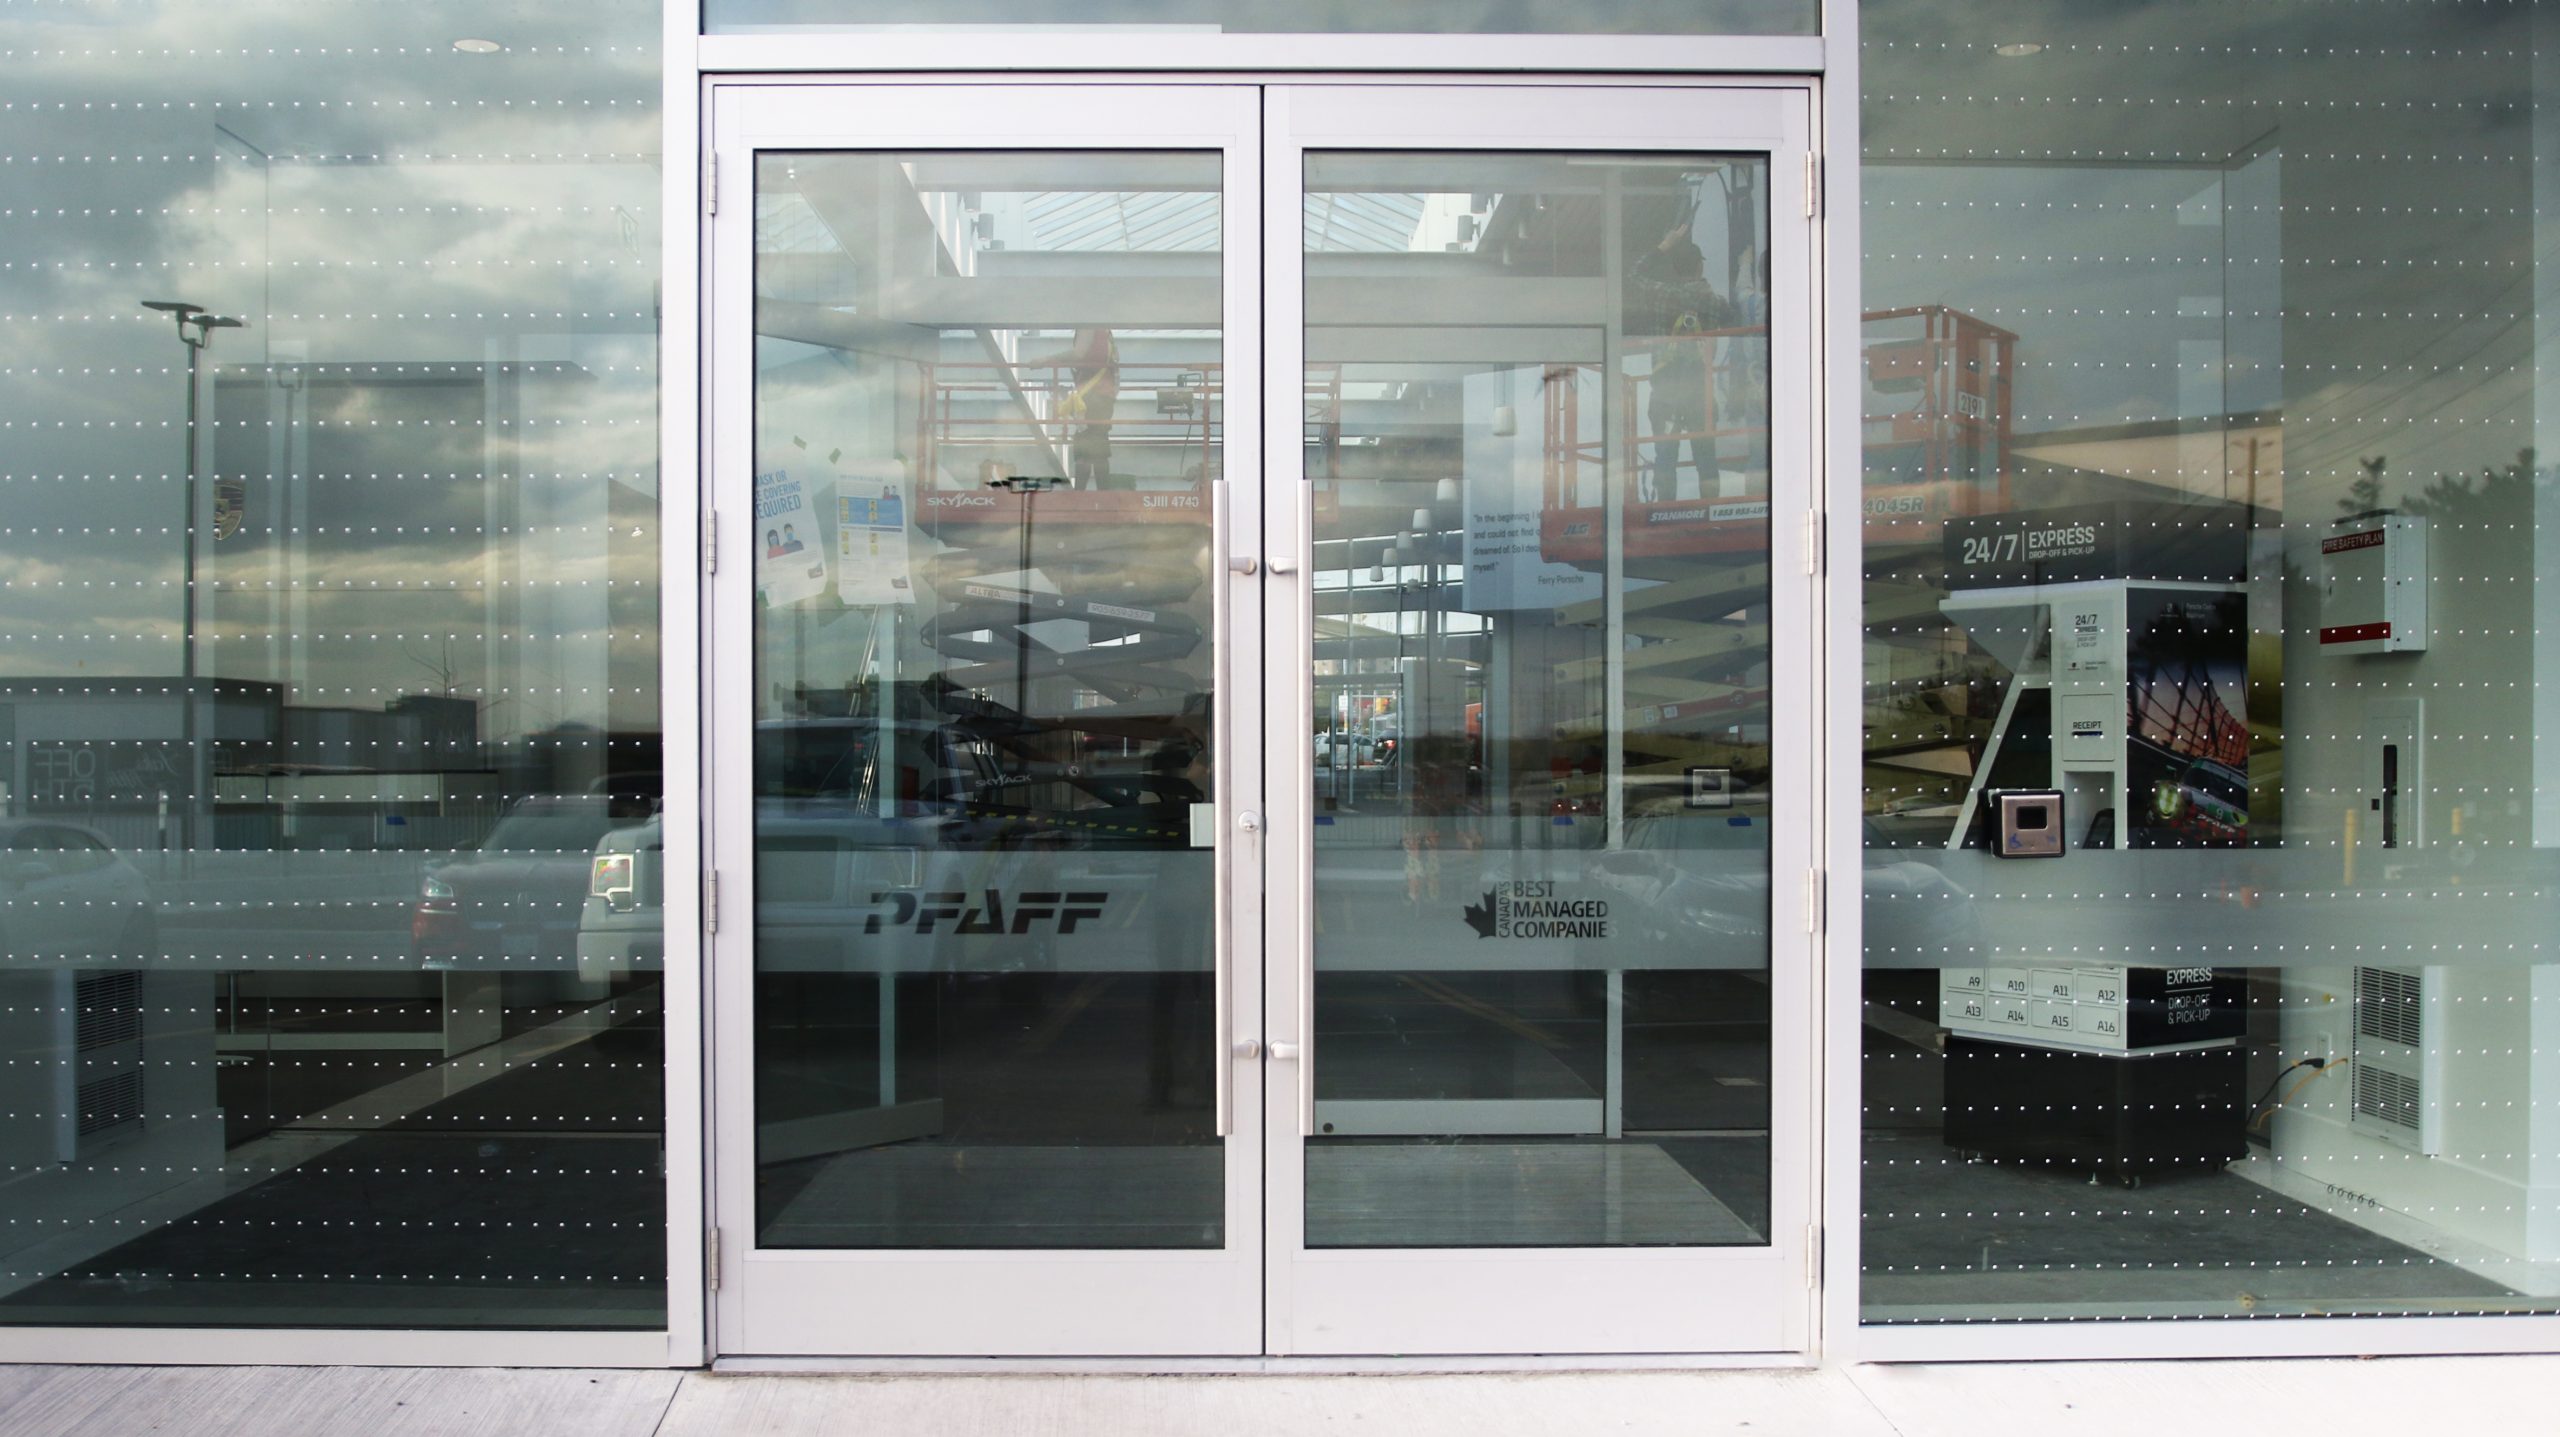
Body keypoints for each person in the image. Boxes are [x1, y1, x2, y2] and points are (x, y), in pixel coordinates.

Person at [1627, 221, 1740, 502]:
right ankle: (1710, 508)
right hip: (1699, 391)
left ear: (1674, 269)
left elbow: (1634, 275)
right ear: (1699, 268)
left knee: (1665, 454)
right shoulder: (1715, 303)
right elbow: (1737, 317)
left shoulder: (1663, 295)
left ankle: (1666, 510)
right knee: (1705, 455)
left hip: (1665, 391)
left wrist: (1664, 245)